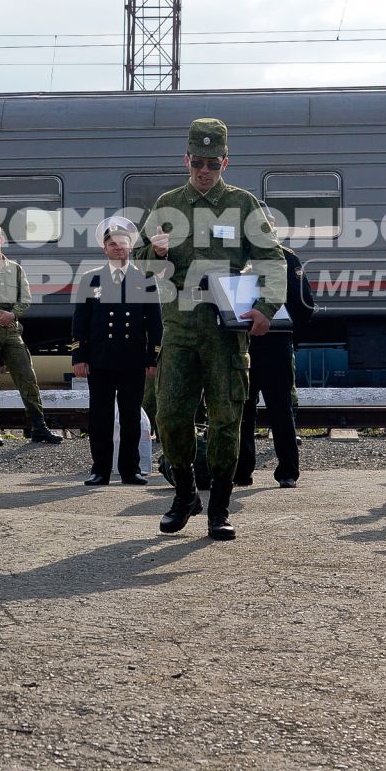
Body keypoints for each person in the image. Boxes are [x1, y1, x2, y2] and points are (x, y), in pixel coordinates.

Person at [145, 118, 284, 540]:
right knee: (170, 415)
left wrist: (265, 307)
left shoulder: (243, 205)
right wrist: (152, 250)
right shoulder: (167, 203)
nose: (204, 170)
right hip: (180, 326)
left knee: (227, 418)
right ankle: (185, 494)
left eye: (213, 163)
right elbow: (143, 268)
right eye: (198, 162)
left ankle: (219, 509)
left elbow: (272, 259)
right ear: (186, 159)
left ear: (226, 162)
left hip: (226, 328)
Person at [71, 217, 161, 485]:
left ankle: (130, 470)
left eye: (122, 243)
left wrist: (152, 357)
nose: (118, 248)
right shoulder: (91, 278)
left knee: (132, 416)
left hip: (132, 360)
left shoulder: (144, 278)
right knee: (100, 417)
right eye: (112, 244)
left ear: (130, 247)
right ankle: (100, 470)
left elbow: (155, 323)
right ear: (104, 248)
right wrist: (79, 356)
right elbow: (79, 321)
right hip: (100, 360)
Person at [0, 223, 63, 446]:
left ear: (2, 240)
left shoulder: (16, 270)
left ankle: (39, 426)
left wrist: (11, 315)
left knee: (27, 377)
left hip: (11, 330)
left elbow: (26, 299)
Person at [238, 238, 315, 488]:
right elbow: (304, 306)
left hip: (260, 340)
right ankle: (283, 472)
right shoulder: (282, 257)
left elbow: (304, 304)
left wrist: (291, 337)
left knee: (267, 409)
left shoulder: (285, 258)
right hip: (262, 341)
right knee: (248, 409)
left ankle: (255, 471)